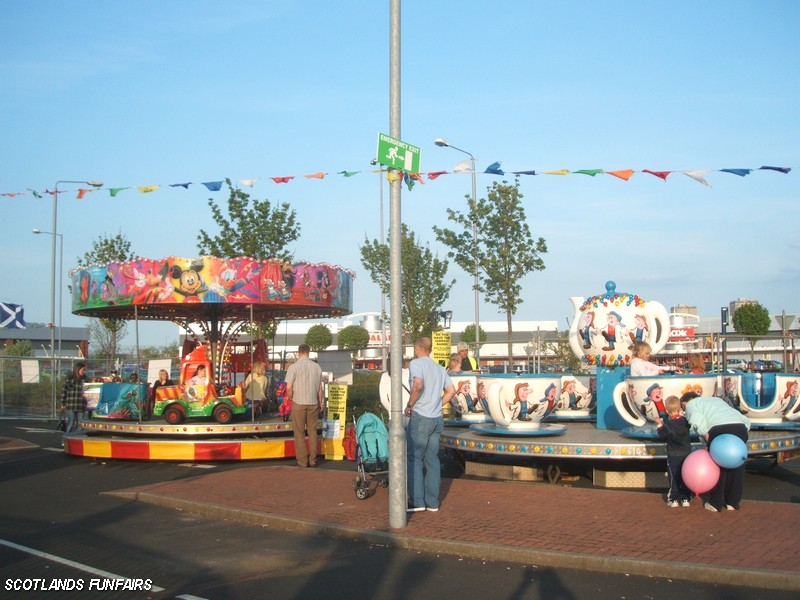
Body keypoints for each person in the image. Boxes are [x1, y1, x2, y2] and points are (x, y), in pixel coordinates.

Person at [404, 337, 455, 512]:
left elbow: (418, 385)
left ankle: (417, 501)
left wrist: (409, 405)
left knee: (415, 458)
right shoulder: (440, 368)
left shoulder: (416, 364)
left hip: (420, 416)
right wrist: (438, 404)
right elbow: (451, 391)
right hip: (436, 418)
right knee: (432, 459)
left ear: (418, 348)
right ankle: (432, 502)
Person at [681, 391, 751, 512]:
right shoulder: (717, 401)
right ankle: (732, 503)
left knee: (717, 465)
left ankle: (715, 502)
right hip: (740, 427)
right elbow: (739, 415)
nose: (684, 411)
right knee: (736, 464)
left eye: (683, 407)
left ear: (687, 402)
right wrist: (744, 430)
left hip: (719, 429)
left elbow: (696, 418)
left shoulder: (692, 404)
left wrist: (705, 433)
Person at [285, 344, 324, 468]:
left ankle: (302, 461)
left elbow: (289, 387)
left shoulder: (293, 367)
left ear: (298, 353)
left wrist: (291, 397)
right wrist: (321, 402)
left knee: (299, 433)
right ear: (309, 352)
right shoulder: (317, 367)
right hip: (313, 403)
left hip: (298, 402)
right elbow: (320, 389)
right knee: (313, 432)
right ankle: (313, 460)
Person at [655, 396, 693, 508]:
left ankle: (673, 498)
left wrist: (659, 425)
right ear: (680, 407)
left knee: (674, 476)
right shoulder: (685, 422)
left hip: (673, 454)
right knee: (685, 475)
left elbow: (663, 435)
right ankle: (685, 497)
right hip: (686, 453)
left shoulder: (668, 425)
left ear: (666, 411)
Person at [60, 362, 87, 445]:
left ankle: (77, 441)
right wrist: (62, 403)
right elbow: (64, 391)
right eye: (83, 370)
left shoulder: (86, 379)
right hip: (71, 404)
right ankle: (65, 441)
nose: (84, 372)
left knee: (80, 425)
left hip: (81, 405)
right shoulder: (70, 379)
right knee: (70, 424)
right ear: (78, 369)